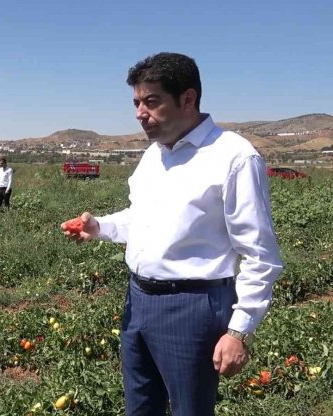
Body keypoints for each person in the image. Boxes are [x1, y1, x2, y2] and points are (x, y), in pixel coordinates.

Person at [61, 53, 282, 416]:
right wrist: (100, 227)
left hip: (193, 306)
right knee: (140, 408)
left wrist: (239, 330)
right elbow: (143, 217)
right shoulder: (154, 155)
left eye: (152, 101)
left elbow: (260, 255)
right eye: (136, 102)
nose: (139, 113)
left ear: (188, 98)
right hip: (138, 300)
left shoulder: (233, 157)